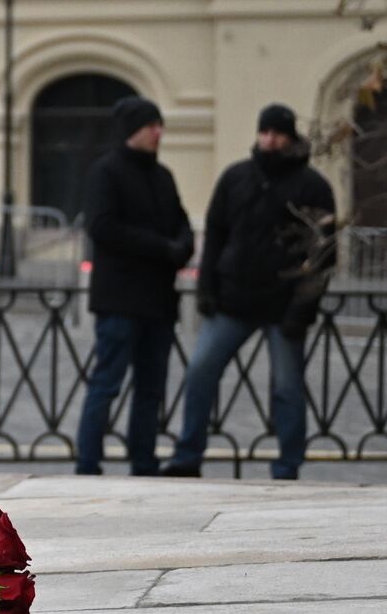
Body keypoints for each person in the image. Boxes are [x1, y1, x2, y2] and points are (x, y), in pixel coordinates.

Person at [161, 103, 336, 481]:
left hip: (285, 305)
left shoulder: (313, 185)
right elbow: (216, 233)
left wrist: (301, 311)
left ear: (290, 137)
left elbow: (323, 255)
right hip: (232, 299)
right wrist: (207, 287)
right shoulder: (236, 177)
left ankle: (288, 465)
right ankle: (188, 455)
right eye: (265, 131)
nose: (269, 139)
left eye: (277, 132)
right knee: (200, 372)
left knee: (288, 388)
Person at [74, 96, 194, 476]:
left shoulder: (163, 176)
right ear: (132, 131)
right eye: (151, 126)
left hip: (158, 301)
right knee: (106, 383)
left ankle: (144, 461)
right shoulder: (106, 172)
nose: (158, 133)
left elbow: (181, 221)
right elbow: (104, 227)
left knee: (151, 388)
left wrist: (183, 246)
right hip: (120, 300)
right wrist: (163, 248)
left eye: (160, 125)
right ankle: (88, 462)